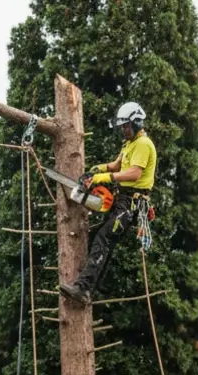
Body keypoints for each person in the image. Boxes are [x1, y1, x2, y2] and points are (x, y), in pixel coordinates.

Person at [59, 101, 157, 305]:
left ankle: (83, 289)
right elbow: (117, 165)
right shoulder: (129, 144)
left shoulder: (144, 145)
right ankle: (88, 290)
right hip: (122, 199)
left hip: (132, 203)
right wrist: (98, 169)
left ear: (137, 123)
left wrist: (103, 179)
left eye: (126, 126)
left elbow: (133, 173)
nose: (124, 130)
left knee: (103, 240)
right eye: (122, 126)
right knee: (101, 239)